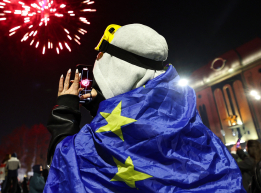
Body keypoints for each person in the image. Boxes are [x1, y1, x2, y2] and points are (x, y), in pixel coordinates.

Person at [45, 24, 245, 192]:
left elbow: (65, 168)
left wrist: (66, 112)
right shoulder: (185, 112)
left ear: (116, 69)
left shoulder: (106, 138)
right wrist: (104, 108)